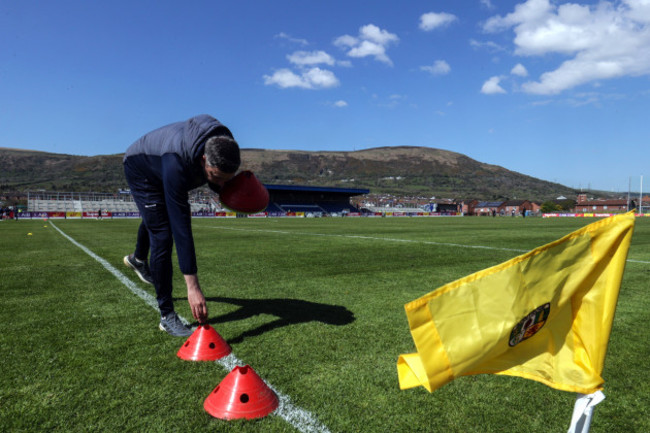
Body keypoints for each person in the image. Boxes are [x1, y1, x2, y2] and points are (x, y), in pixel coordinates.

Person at [122, 114, 241, 336]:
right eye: (216, 177)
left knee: (155, 216)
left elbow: (227, 177)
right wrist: (193, 287)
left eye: (227, 178)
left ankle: (137, 259)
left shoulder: (226, 145)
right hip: (141, 169)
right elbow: (182, 228)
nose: (222, 185)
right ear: (204, 160)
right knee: (163, 234)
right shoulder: (177, 163)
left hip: (169, 162)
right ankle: (166, 315)